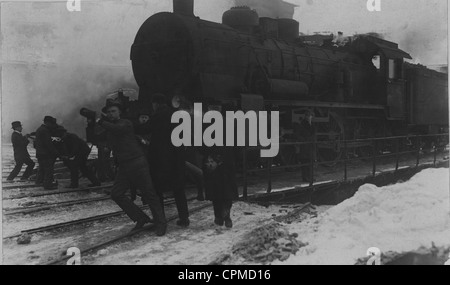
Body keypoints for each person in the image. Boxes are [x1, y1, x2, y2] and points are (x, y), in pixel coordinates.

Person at [96, 102, 166, 235]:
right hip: (124, 165)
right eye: (109, 112)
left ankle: (161, 223)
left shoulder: (126, 123)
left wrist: (101, 121)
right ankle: (140, 218)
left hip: (137, 162)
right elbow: (99, 136)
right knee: (116, 194)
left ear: (119, 112)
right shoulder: (110, 128)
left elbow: (118, 130)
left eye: (114, 111)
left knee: (149, 193)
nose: (111, 114)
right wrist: (91, 123)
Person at [148, 93, 189, 227]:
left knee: (157, 190)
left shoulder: (157, 116)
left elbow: (146, 128)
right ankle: (184, 218)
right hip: (176, 158)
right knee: (179, 191)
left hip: (161, 159)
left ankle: (161, 219)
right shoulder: (176, 115)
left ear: (156, 104)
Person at [203, 148, 239, 228]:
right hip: (226, 163)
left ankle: (219, 217)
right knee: (227, 192)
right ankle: (226, 212)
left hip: (214, 162)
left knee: (216, 194)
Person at [35, 116, 60, 190]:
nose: (52, 125)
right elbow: (48, 144)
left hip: (40, 153)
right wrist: (56, 153)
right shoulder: (45, 130)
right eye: (51, 123)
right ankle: (47, 185)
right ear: (47, 123)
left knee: (42, 168)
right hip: (46, 154)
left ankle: (39, 182)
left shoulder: (39, 129)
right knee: (48, 170)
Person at [294, 110, 316, 183]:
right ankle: (305, 178)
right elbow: (297, 135)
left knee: (310, 162)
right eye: (308, 116)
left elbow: (314, 134)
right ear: (306, 117)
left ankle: (310, 177)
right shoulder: (301, 125)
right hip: (305, 146)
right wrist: (304, 140)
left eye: (310, 116)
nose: (309, 117)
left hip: (310, 146)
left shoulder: (312, 125)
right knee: (305, 162)